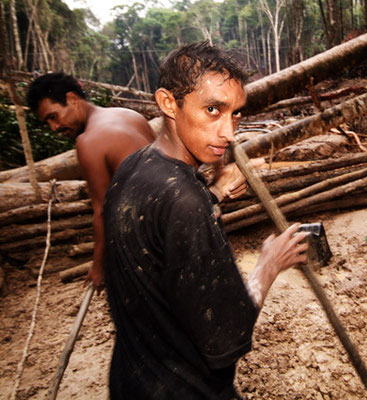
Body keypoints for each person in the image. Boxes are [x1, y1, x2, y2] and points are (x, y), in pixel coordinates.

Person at [102, 41, 309, 399]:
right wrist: (269, 265)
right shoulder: (185, 200)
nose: (228, 133)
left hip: (133, 382)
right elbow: (226, 334)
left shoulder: (134, 167)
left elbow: (155, 236)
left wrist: (214, 194)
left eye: (236, 113)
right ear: (169, 103)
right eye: (213, 109)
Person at [26, 73, 157, 290]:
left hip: (150, 238)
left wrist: (98, 266)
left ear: (72, 99)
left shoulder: (88, 142)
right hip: (175, 219)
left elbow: (103, 210)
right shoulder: (128, 114)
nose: (54, 127)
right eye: (47, 122)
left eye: (53, 116)